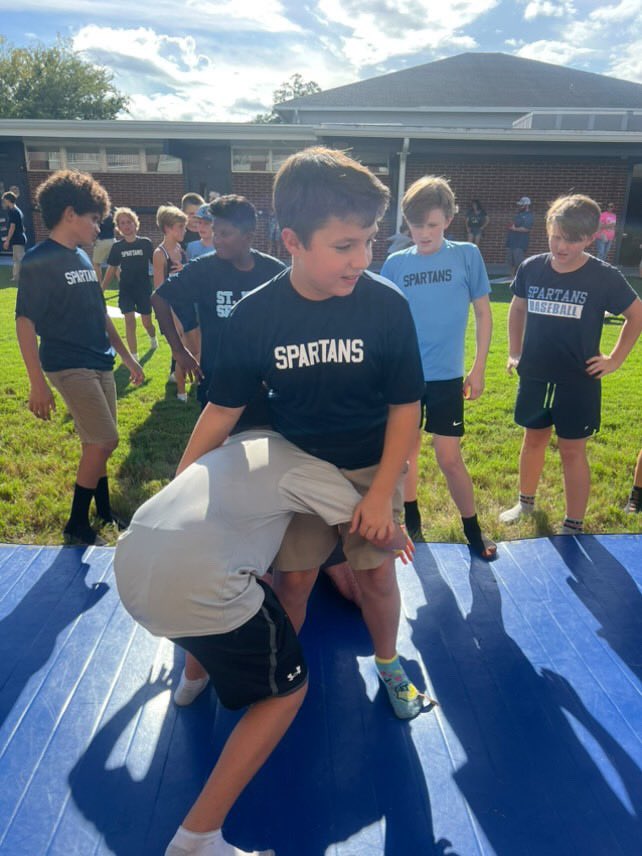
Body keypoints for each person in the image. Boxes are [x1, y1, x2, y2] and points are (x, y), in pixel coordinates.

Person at [173, 147, 427, 721]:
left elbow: (406, 406)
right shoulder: (256, 315)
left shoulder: (386, 306)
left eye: (370, 242)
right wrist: (179, 488)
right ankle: (277, 675)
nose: (361, 259)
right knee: (294, 583)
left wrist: (382, 492)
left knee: (377, 578)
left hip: (370, 466)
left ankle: (390, 665)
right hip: (295, 472)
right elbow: (221, 412)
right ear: (292, 241)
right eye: (344, 245)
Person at [114, 430, 409, 856]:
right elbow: (371, 525)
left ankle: (192, 681)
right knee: (286, 693)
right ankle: (197, 839)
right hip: (199, 588)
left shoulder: (240, 442)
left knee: (195, 596)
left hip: (132, 573)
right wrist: (398, 533)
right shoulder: (306, 465)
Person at [500, 194, 642, 534]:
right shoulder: (532, 267)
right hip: (535, 374)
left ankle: (573, 522)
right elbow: (517, 308)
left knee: (572, 450)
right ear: (548, 229)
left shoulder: (603, 276)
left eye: (572, 240)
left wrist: (614, 359)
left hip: (578, 379)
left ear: (590, 238)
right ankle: (525, 503)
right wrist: (515, 351)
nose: (561, 246)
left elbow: (636, 315)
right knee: (533, 440)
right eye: (556, 237)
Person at [15, 170, 143, 546]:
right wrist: (37, 383)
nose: (99, 228)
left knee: (96, 442)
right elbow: (24, 322)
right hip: (68, 363)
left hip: (100, 360)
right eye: (94, 219)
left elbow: (100, 314)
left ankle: (102, 512)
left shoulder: (83, 258)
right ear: (70, 213)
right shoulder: (40, 260)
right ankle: (76, 524)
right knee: (104, 440)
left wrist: (128, 358)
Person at [381, 175, 496, 559]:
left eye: (432, 224)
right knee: (405, 454)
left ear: (448, 219)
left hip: (447, 378)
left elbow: (483, 313)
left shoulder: (466, 255)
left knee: (449, 457)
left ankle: (473, 530)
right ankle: (412, 523)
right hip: (406, 378)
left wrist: (478, 368)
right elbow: (384, 322)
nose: (424, 233)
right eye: (416, 225)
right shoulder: (396, 264)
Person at [152, 195, 285, 410]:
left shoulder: (273, 271)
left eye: (225, 234)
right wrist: (178, 350)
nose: (217, 240)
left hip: (265, 382)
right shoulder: (204, 269)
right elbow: (159, 297)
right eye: (215, 232)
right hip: (217, 382)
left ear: (248, 236)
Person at [152, 204, 197, 402]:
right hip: (172, 309)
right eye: (180, 227)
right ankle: (181, 392)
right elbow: (159, 292)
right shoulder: (159, 253)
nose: (184, 231)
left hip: (187, 305)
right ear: (167, 228)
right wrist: (173, 319)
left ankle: (193, 383)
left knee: (195, 348)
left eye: (184, 227)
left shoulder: (181, 249)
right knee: (182, 348)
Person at [101, 207, 158, 361]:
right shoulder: (117, 247)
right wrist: (101, 289)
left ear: (135, 223)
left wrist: (162, 283)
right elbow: (111, 269)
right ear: (118, 227)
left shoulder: (145, 243)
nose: (126, 225)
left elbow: (156, 264)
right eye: (122, 223)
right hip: (126, 289)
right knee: (129, 321)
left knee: (147, 323)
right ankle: (134, 357)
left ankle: (153, 338)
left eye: (129, 222)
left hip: (143, 289)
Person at [2, 190, 27, 281]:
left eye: (4, 200)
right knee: (17, 259)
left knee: (19, 259)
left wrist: (7, 240)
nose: (4, 202)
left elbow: (12, 227)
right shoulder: (17, 210)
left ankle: (24, 276)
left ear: (8, 200)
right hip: (19, 238)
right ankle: (16, 277)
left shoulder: (13, 211)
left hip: (18, 239)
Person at [506, 196, 533, 277]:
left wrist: (515, 229)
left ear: (526, 205)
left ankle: (519, 277)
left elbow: (526, 229)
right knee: (510, 261)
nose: (520, 206)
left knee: (518, 262)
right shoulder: (518, 214)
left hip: (520, 243)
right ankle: (512, 277)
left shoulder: (529, 216)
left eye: (521, 205)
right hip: (511, 241)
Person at [92, 209, 115, 283]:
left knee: (96, 264)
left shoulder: (98, 216)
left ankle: (99, 284)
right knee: (116, 264)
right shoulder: (112, 215)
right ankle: (122, 283)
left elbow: (95, 228)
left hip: (101, 241)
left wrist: (94, 240)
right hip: (112, 240)